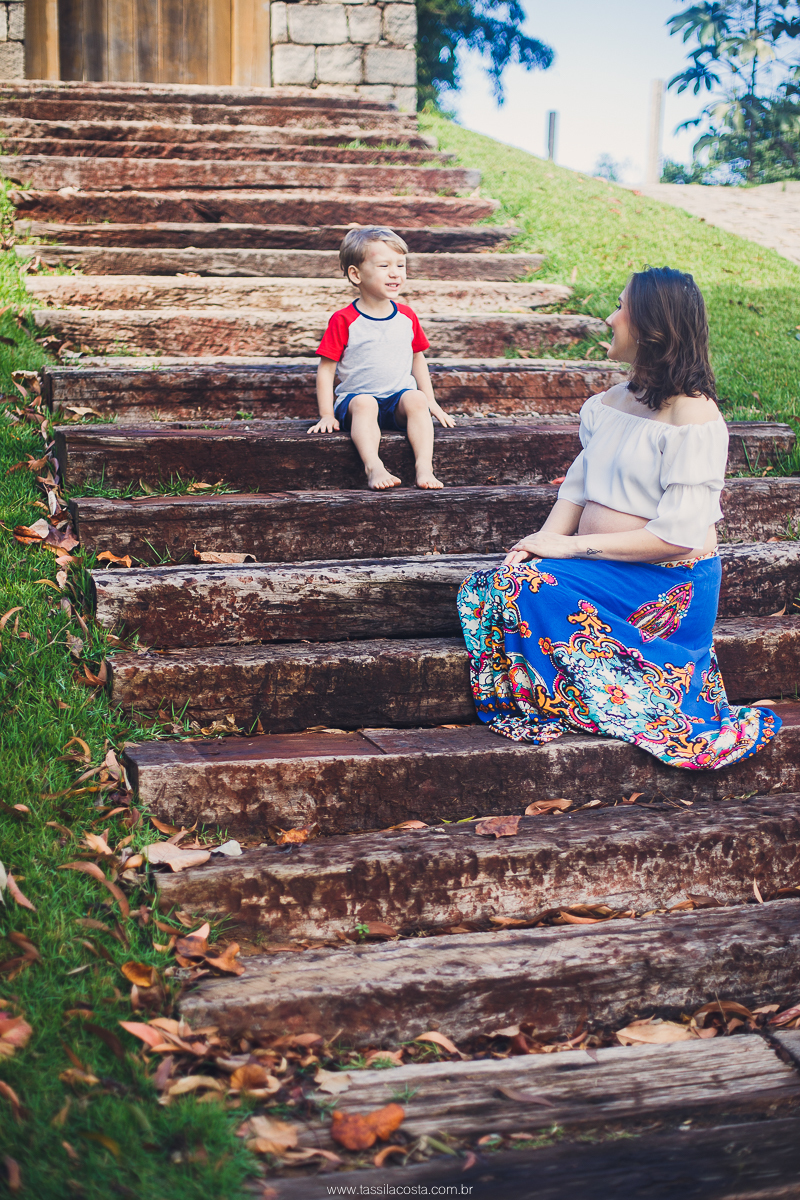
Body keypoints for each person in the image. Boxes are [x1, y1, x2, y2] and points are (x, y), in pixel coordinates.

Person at [457, 267, 780, 769]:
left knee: (522, 590)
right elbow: (578, 487)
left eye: (620, 307)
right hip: (602, 571)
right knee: (495, 583)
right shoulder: (607, 404)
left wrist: (569, 549)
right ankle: (572, 696)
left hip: (666, 582)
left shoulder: (693, 418)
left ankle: (619, 693)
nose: (609, 317)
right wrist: (543, 540)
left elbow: (678, 536)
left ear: (652, 327)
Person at [308, 225, 455, 490]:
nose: (395, 273)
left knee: (416, 398)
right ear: (356, 274)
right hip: (356, 403)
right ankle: (374, 466)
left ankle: (424, 467)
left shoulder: (406, 315)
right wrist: (327, 414)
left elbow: (417, 358)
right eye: (384, 266)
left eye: (400, 265)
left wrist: (431, 401)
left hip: (395, 401)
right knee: (365, 403)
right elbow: (326, 370)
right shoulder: (344, 319)